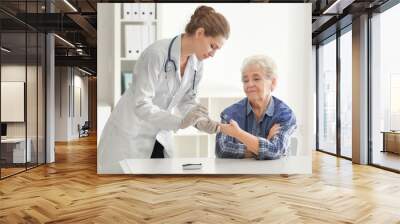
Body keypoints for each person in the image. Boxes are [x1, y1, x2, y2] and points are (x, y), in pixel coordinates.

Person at [98, 6, 230, 173]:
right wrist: (180, 122)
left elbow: (187, 101)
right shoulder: (156, 54)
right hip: (130, 133)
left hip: (160, 135)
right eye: (213, 46)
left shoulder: (197, 64)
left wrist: (199, 121)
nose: (213, 54)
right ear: (199, 33)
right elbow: (141, 104)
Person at [216, 55, 296, 160]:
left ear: (273, 82)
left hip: (273, 175)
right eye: (245, 80)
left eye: (256, 79)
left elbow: (276, 150)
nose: (249, 84)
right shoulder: (229, 114)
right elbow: (221, 150)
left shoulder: (285, 114)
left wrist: (239, 134)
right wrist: (263, 145)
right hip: (239, 175)